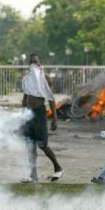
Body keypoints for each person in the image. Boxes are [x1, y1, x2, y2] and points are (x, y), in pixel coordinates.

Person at [21, 53, 63, 182]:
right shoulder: (26, 79)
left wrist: (54, 118)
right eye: (32, 62)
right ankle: (33, 175)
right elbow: (25, 99)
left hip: (39, 113)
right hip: (29, 114)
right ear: (29, 65)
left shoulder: (45, 78)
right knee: (30, 145)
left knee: (43, 144)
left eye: (37, 62)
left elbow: (50, 99)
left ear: (40, 63)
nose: (35, 64)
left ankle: (58, 168)